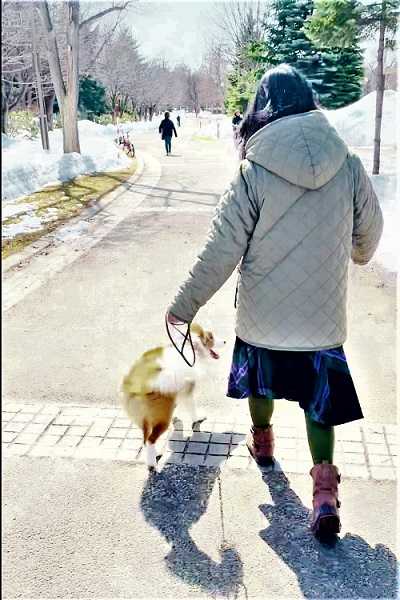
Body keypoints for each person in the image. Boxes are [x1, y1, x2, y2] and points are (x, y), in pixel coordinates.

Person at [166, 64, 383, 538]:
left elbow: (220, 250)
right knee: (318, 406)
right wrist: (356, 252)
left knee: (260, 387)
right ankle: (324, 489)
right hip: (322, 324)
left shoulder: (253, 170)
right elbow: (369, 234)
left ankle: (262, 444)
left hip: (263, 320)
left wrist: (183, 307)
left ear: (260, 109)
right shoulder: (346, 162)